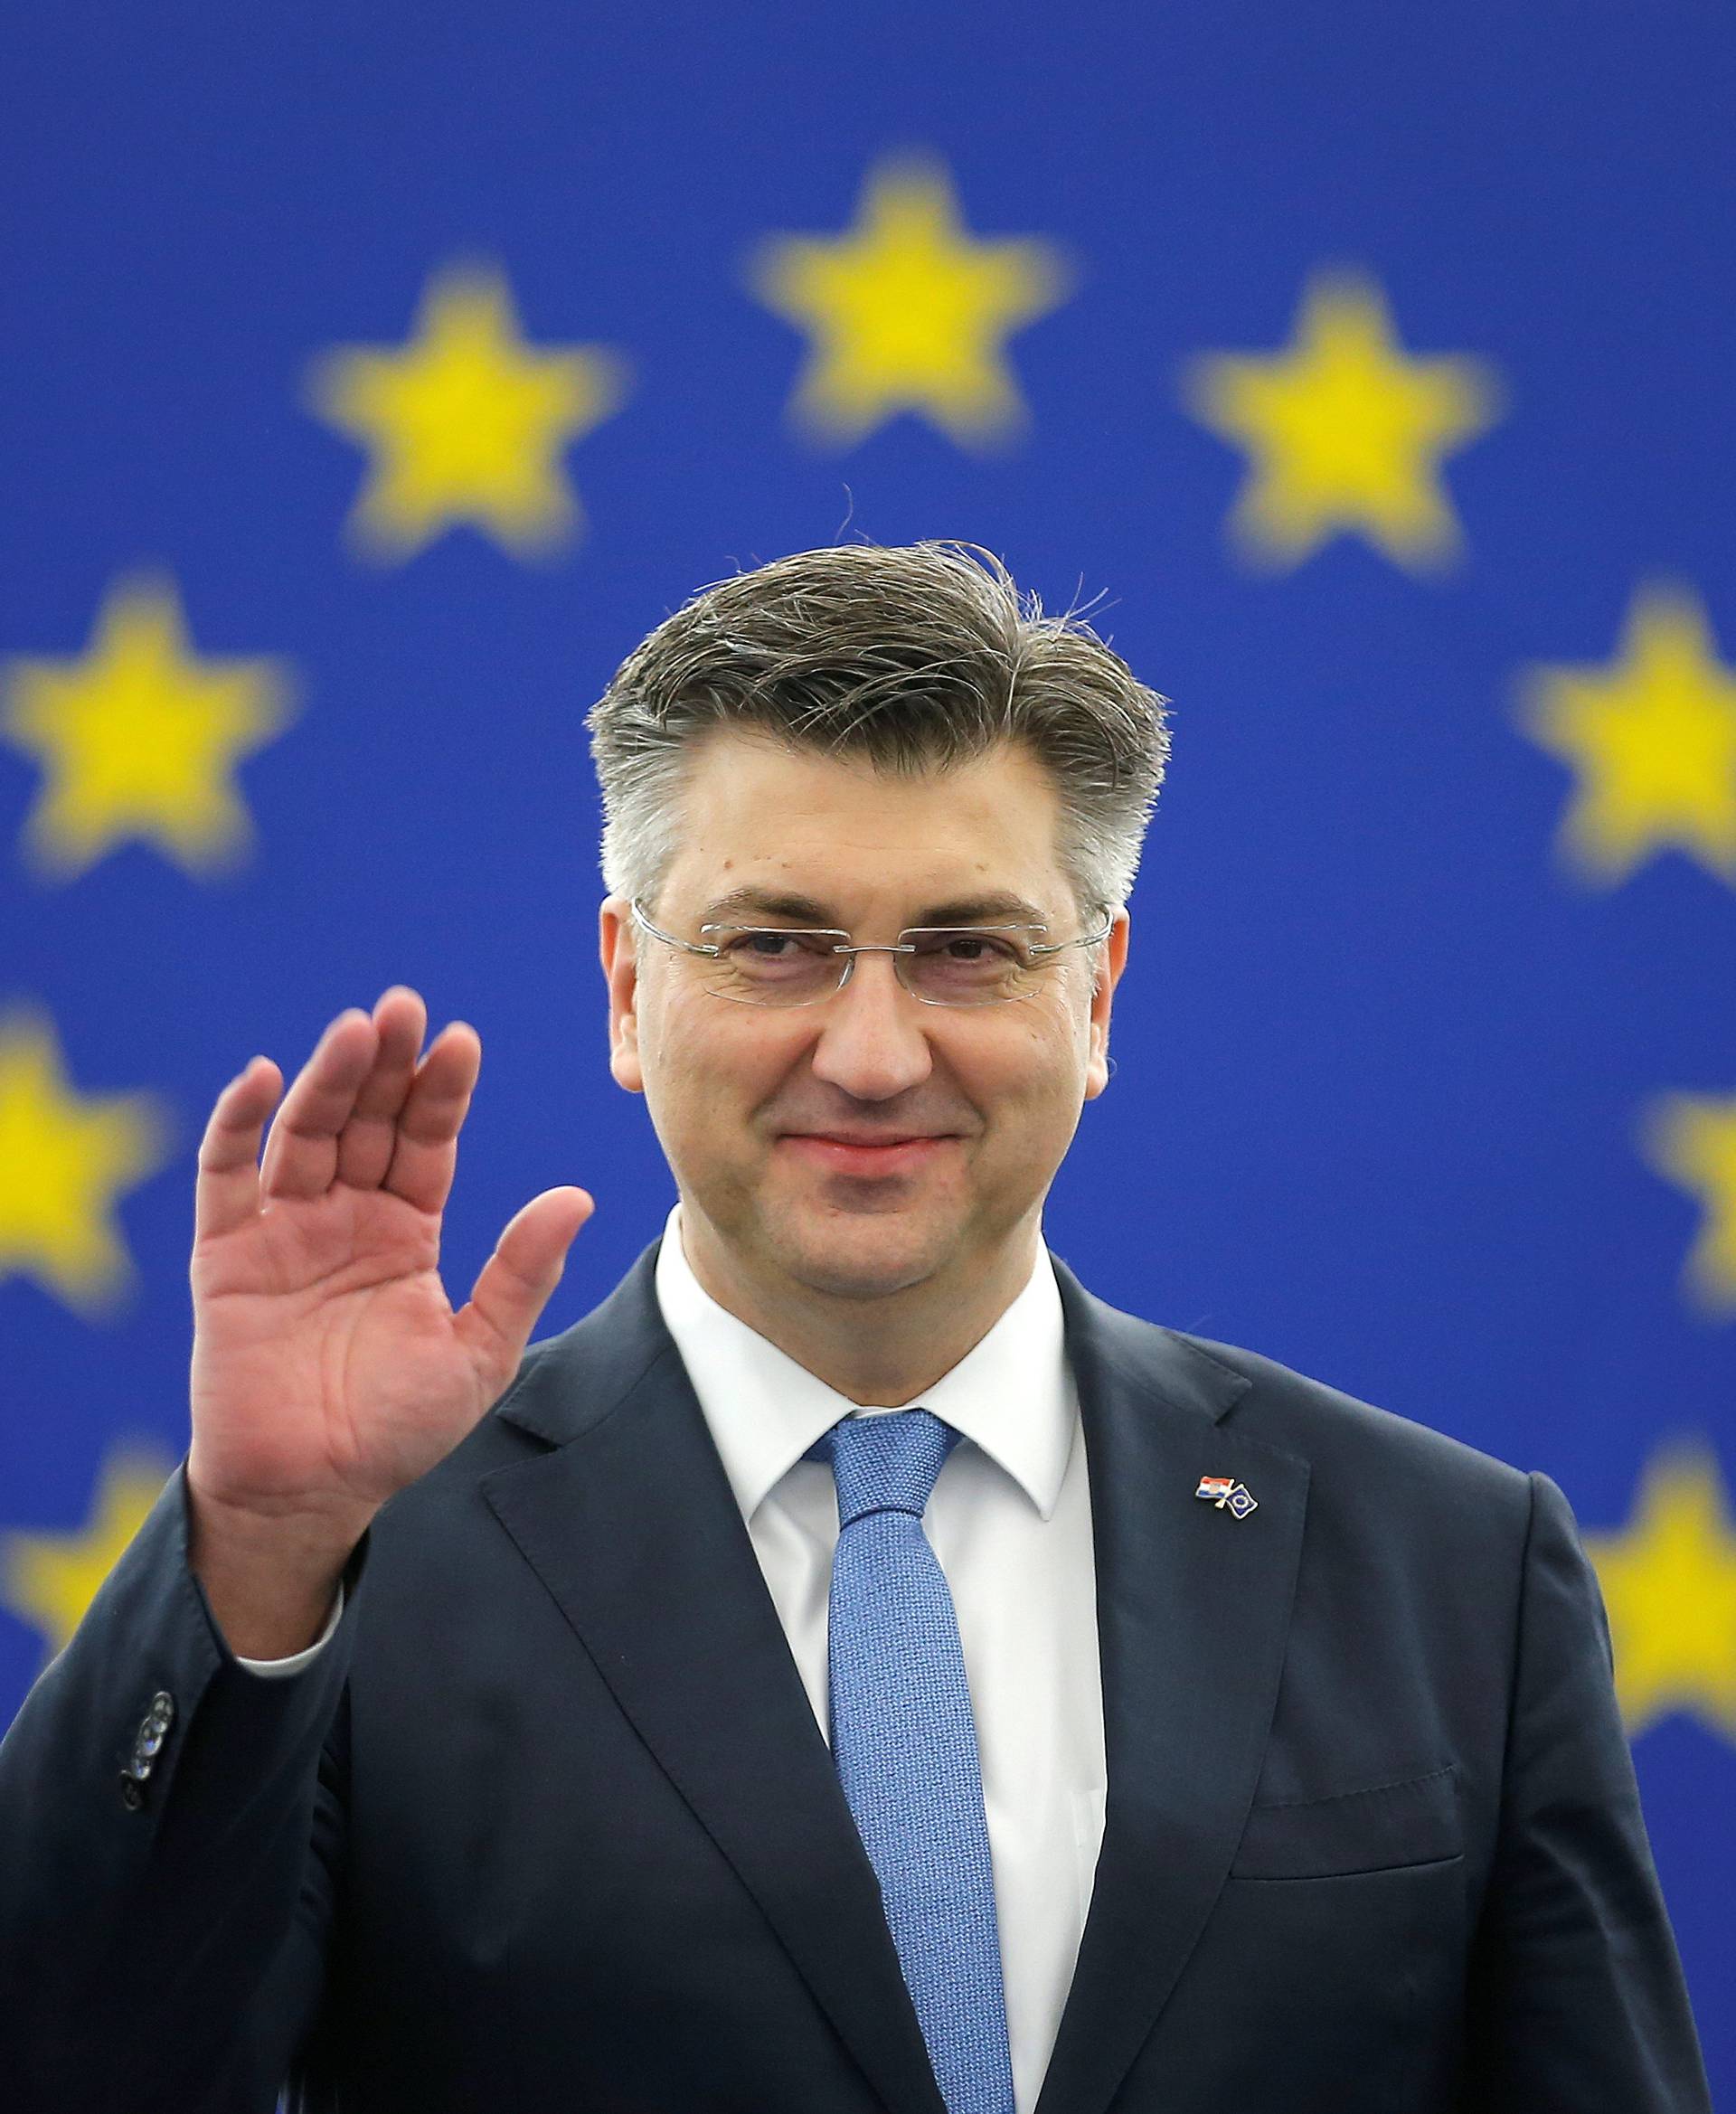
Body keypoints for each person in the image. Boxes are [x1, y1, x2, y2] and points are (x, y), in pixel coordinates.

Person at [0, 540, 1711, 2113]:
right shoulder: (361, 1569)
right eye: (778, 946)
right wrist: (267, 1546)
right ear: (625, 985)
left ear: (1097, 994)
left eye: (967, 950)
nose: (876, 1052)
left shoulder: (1452, 1573)